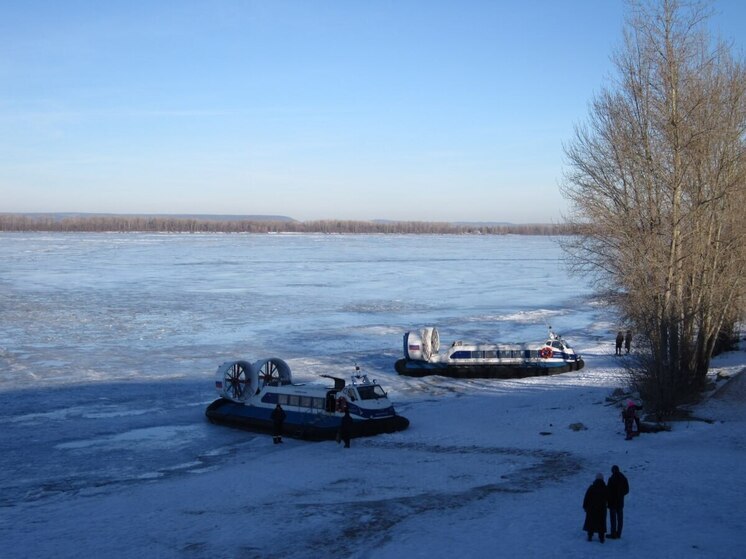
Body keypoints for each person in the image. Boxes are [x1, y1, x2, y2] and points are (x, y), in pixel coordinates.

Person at [583, 473, 608, 543]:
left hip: (592, 508)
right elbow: (608, 497)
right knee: (601, 523)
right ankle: (601, 538)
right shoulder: (605, 488)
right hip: (602, 509)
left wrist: (585, 506)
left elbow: (586, 497)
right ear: (602, 479)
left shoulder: (592, 487)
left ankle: (590, 536)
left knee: (591, 522)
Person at [606, 465, 629, 539]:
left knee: (613, 519)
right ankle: (618, 534)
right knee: (620, 519)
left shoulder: (611, 479)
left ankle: (613, 534)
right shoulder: (623, 478)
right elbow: (627, 490)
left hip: (612, 503)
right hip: (620, 502)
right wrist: (621, 495)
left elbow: (608, 491)